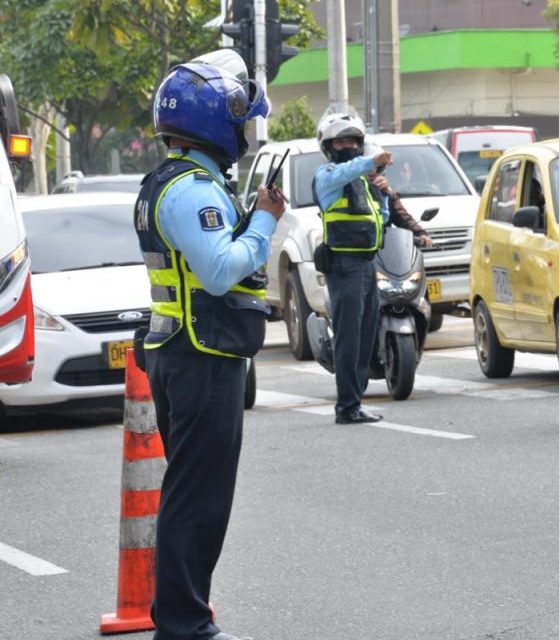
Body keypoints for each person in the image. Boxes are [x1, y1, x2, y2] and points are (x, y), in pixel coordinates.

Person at [135, 49, 284, 640]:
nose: (246, 130)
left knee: (194, 492)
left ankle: (185, 612)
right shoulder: (191, 189)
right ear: (213, 118)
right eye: (240, 115)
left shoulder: (171, 182)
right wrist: (267, 220)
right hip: (200, 359)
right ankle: (183, 621)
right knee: (198, 498)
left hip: (187, 354)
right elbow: (221, 271)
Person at [313, 112, 393, 424]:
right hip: (344, 266)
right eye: (341, 140)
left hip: (366, 263)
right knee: (348, 338)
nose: (349, 145)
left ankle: (355, 402)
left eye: (354, 141)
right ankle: (346, 407)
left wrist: (382, 193)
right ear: (329, 146)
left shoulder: (364, 181)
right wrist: (372, 162)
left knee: (364, 336)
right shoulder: (328, 176)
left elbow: (380, 219)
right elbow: (349, 169)